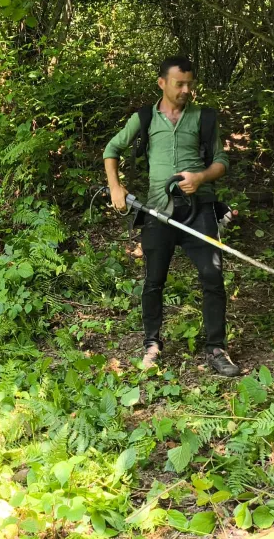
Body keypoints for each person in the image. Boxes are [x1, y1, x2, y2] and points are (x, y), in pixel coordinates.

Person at [102, 56, 240, 377]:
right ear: (162, 83)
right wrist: (116, 187)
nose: (186, 90)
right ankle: (152, 344)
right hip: (157, 211)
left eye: (190, 83)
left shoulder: (204, 118)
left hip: (199, 210)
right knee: (153, 281)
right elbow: (111, 150)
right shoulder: (145, 118)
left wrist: (201, 178)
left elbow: (221, 161)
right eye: (179, 84)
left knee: (212, 276)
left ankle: (217, 349)